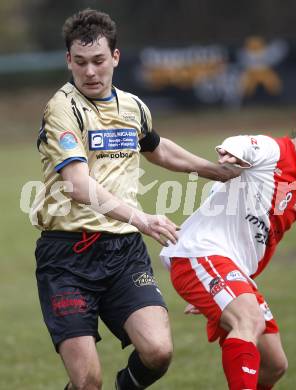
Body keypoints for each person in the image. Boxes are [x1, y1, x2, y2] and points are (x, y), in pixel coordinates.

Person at [33, 8, 241, 390]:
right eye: (80, 63)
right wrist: (142, 219)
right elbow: (77, 184)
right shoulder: (62, 108)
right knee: (86, 381)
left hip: (123, 253)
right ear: (68, 61)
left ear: (115, 57)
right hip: (67, 257)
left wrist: (215, 170)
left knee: (158, 352)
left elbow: (158, 149)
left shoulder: (132, 106)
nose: (90, 72)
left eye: (98, 61)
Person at [160, 99, 296, 390]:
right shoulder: (272, 151)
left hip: (229, 268)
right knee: (249, 320)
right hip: (202, 252)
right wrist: (231, 153)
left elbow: (259, 247)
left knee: (274, 365)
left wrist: (225, 289)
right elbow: (243, 145)